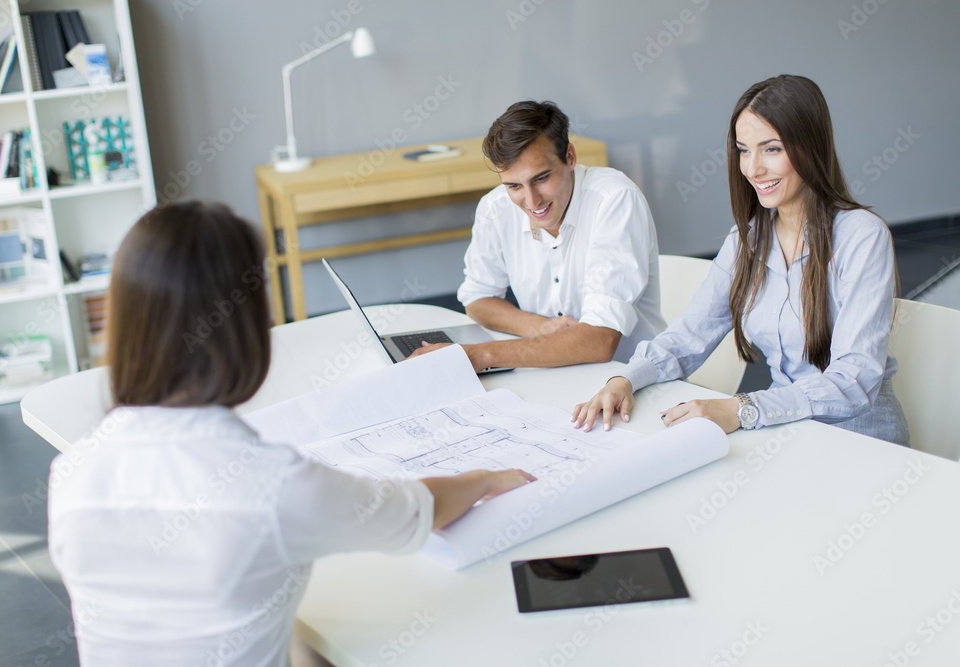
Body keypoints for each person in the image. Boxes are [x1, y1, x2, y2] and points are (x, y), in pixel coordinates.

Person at [47, 201, 535, 666]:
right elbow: (412, 512)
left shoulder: (71, 471)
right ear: (244, 326)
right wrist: (484, 480)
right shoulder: (269, 484)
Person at [572, 75, 909, 446]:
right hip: (788, 432)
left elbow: (854, 380)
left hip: (861, 440)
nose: (752, 169)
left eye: (771, 149)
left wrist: (742, 409)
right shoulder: (746, 239)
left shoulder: (862, 236)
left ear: (811, 148)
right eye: (743, 150)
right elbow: (689, 335)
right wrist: (625, 380)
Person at [410, 100, 665, 371]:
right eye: (513, 185)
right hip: (550, 373)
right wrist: (540, 326)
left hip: (630, 375)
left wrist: (480, 355)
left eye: (541, 178)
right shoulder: (495, 207)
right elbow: (477, 300)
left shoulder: (614, 199)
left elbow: (599, 340)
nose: (531, 201)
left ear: (570, 157)